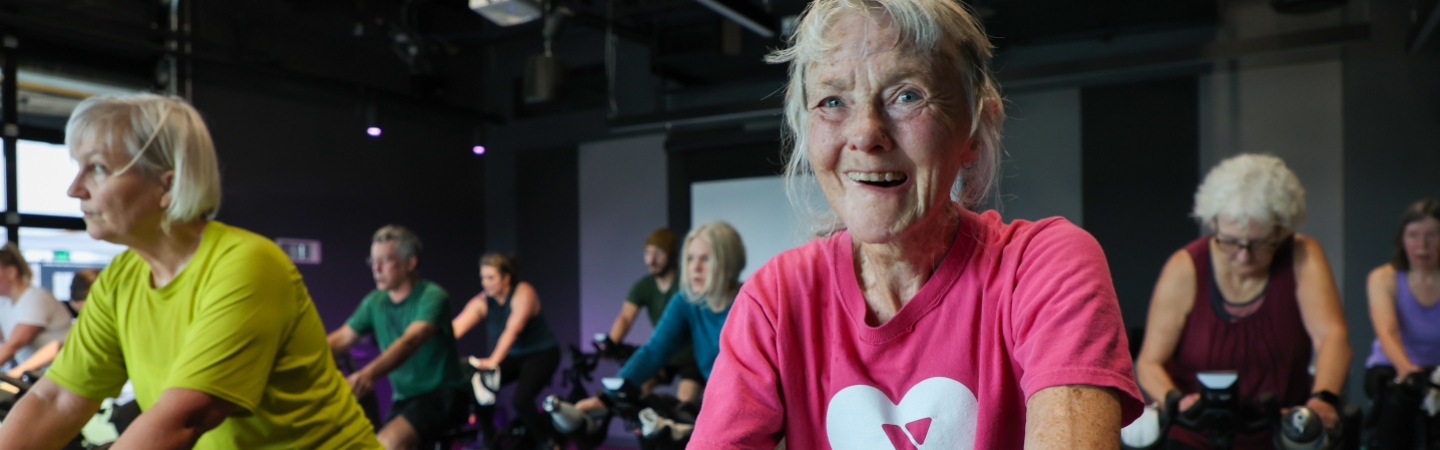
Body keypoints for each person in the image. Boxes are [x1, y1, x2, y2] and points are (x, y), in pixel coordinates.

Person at [687, 0, 1143, 447]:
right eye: (832, 101)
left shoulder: (1042, 265)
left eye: (907, 95)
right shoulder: (776, 299)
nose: (866, 134)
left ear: (972, 129)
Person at [0, 93, 379, 449]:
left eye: (97, 168)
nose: (74, 189)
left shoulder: (245, 264)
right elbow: (59, 399)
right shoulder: (120, 279)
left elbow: (183, 418)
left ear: (168, 183)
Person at [1135, 154, 1350, 449]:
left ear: (1281, 230)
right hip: (1195, 435)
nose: (1244, 255)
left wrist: (1323, 399)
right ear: (1214, 225)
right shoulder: (1185, 267)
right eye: (1232, 242)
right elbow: (1149, 362)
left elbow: (1332, 336)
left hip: (1276, 433)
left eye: (1260, 243)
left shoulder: (1302, 254)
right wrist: (1179, 401)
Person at [328, 225, 472, 450]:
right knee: (369, 445)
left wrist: (369, 373)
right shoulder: (375, 301)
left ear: (410, 263)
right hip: (406, 399)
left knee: (388, 444)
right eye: (373, 261)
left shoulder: (433, 296)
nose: (376, 268)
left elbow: (411, 340)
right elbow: (341, 338)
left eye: (385, 260)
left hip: (444, 395)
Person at [577, 222, 744, 413]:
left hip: (755, 399)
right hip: (721, 397)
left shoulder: (749, 302)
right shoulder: (686, 300)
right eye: (690, 258)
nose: (695, 267)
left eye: (705, 259)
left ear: (728, 262)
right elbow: (653, 351)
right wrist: (607, 398)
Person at [453, 253, 562, 447]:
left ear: (506, 277)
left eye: (491, 277)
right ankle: (490, 442)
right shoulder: (483, 301)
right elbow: (455, 327)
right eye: (482, 278)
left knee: (521, 400)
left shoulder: (523, 292)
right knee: (479, 388)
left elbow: (513, 330)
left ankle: (549, 443)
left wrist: (493, 360)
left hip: (542, 354)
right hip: (514, 356)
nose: (485, 283)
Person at [1364, 198, 1440, 449]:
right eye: (1414, 235)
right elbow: (1387, 331)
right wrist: (1408, 371)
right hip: (1393, 366)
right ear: (1402, 239)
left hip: (1438, 369)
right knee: (1399, 402)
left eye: (1432, 235)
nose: (1422, 245)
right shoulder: (1383, 277)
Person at [604, 228, 705, 401]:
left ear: (671, 255)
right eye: (647, 253)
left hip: (693, 357)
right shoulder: (644, 286)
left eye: (658, 253)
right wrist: (611, 342)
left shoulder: (688, 283)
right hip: (665, 355)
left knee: (686, 401)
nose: (651, 259)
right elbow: (626, 317)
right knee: (638, 390)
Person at [6, 268, 100, 378]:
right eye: (82, 312)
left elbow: (58, 346)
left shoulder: (38, 297)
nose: (88, 316)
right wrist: (17, 372)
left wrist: (18, 372)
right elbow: (60, 344)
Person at [0, 243, 72, 374]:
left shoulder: (36, 297)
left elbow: (13, 344)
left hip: (62, 375)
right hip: (39, 377)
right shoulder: (5, 303)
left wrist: (16, 373)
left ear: (11, 272)